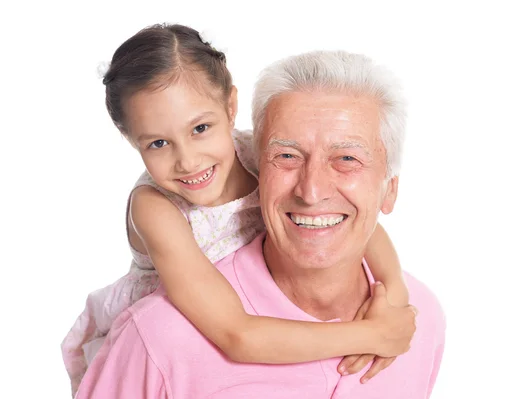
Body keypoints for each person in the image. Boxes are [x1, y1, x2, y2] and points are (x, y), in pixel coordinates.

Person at [62, 24, 416, 396]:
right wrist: (369, 335)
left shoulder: (263, 155)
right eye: (158, 143)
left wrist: (393, 293)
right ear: (130, 137)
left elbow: (349, 214)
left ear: (231, 107)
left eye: (200, 128)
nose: (187, 160)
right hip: (192, 338)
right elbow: (237, 334)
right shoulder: (155, 208)